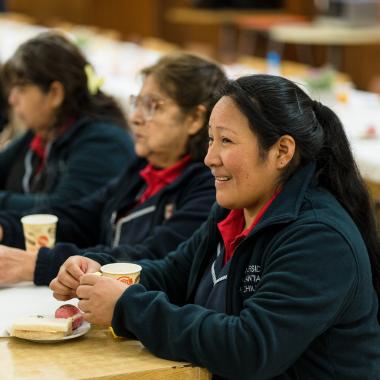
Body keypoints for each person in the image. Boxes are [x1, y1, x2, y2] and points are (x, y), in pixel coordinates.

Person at [51, 74, 380, 379]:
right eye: (210, 139)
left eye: (226, 141)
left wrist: (127, 307)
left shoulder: (320, 238)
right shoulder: (233, 211)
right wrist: (100, 274)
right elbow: (172, 274)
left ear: (282, 151)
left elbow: (251, 348)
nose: (209, 157)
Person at [0, 52, 227, 286]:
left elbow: (150, 257)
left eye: (151, 106)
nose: (136, 118)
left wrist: (36, 264)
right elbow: (80, 218)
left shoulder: (210, 187)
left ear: (195, 119)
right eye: (136, 104)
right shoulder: (143, 171)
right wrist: (5, 228)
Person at [0, 31, 134, 211]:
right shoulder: (42, 131)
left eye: (21, 89)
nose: (12, 99)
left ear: (55, 94)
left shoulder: (104, 143)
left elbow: (62, 209)